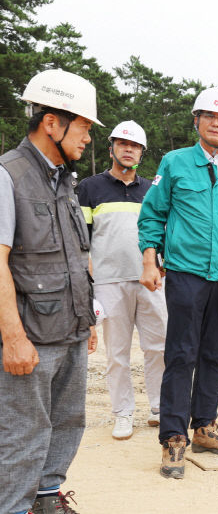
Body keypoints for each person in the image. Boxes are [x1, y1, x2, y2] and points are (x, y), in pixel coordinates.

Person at [137, 87, 218, 479]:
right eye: (209, 116)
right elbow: (152, 215)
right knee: (181, 354)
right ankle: (173, 438)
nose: (216, 123)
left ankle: (204, 425)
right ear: (197, 121)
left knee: (213, 354)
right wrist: (150, 261)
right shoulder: (175, 163)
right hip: (186, 274)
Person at [0, 69, 101, 514]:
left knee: (66, 423)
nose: (88, 139)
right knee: (23, 434)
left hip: (71, 330)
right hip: (32, 338)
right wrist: (13, 338)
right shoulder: (9, 176)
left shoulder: (65, 181)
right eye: (83, 127)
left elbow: (76, 257)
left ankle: (45, 499)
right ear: (51, 123)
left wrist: (88, 319)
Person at [76, 121, 167, 441]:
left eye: (135, 146)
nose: (129, 150)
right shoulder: (89, 188)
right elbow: (80, 240)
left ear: (142, 152)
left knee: (158, 347)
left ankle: (159, 407)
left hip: (150, 280)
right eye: (123, 144)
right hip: (108, 282)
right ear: (112, 147)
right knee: (117, 353)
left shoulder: (152, 190)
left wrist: (162, 263)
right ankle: (123, 413)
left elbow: (162, 231)